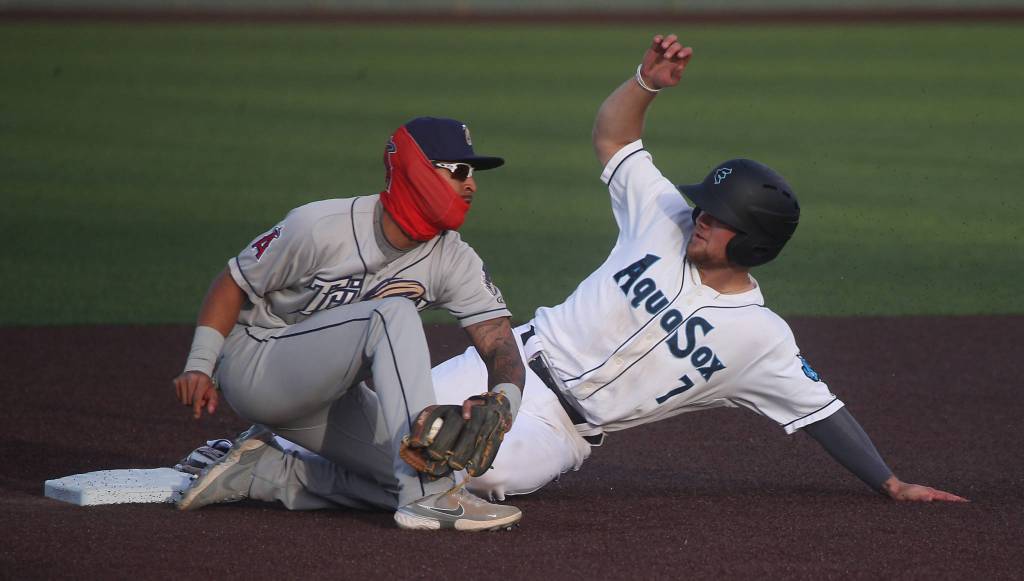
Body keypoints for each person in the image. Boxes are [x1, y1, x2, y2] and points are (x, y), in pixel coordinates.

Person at [177, 36, 965, 506]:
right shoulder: (662, 215)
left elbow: (823, 410)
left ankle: (282, 474)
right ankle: (277, 446)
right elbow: (613, 137)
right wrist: (647, 82)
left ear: (750, 246)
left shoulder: (760, 337)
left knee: (458, 480)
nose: (699, 216)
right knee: (388, 422)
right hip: (509, 361)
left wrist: (889, 482)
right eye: (704, 205)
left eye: (717, 219)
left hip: (558, 430)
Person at [171, 116, 527, 531]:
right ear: (417, 169)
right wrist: (200, 363)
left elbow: (500, 343)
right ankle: (430, 495)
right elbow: (233, 281)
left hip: (331, 399)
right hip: (260, 365)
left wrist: (503, 403)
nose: (472, 185)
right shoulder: (320, 227)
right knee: (390, 312)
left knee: (437, 473)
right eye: (460, 172)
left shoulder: (453, 259)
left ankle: (269, 474)